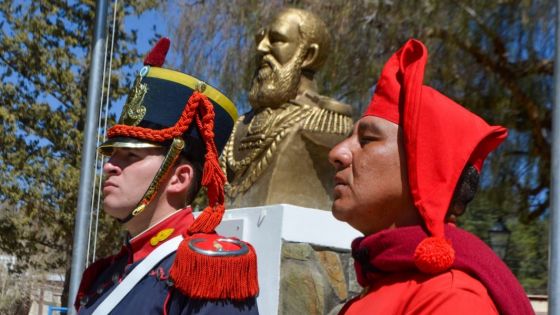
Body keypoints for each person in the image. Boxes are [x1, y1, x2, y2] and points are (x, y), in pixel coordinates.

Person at [329, 39, 534, 314]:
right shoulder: (384, 289)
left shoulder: (451, 299)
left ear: (423, 168)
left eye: (366, 140)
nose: (338, 153)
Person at [74, 38, 259, 314]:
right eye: (112, 155)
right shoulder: (105, 275)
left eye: (131, 156)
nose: (110, 166)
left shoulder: (208, 273)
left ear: (179, 178)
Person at [222, 8, 353, 210]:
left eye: (276, 40)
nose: (261, 48)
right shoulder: (240, 125)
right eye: (260, 38)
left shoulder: (325, 122)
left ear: (309, 55)